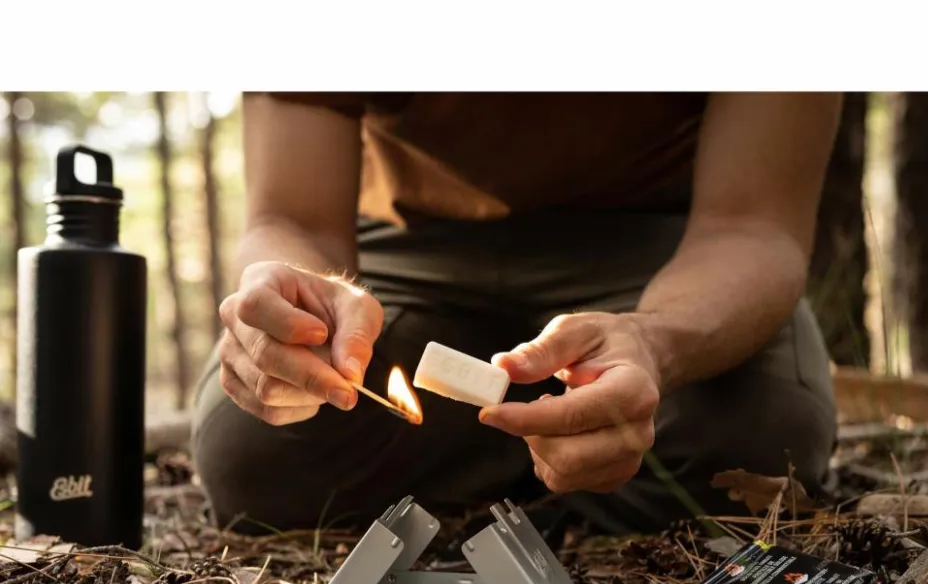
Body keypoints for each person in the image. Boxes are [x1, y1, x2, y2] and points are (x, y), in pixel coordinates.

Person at [192, 92, 841, 536]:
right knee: (255, 448)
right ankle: (541, 451)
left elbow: (753, 227)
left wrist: (656, 345)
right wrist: (303, 298)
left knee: (760, 444)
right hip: (406, 250)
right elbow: (293, 219)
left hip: (669, 250)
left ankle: (496, 452)